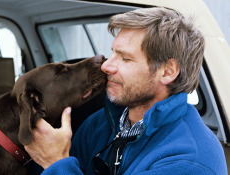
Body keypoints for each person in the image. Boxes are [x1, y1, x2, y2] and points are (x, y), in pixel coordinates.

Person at [25, 7, 228, 175]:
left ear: (167, 71)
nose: (106, 66)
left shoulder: (191, 160)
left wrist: (55, 163)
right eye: (113, 52)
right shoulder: (100, 124)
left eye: (125, 58)